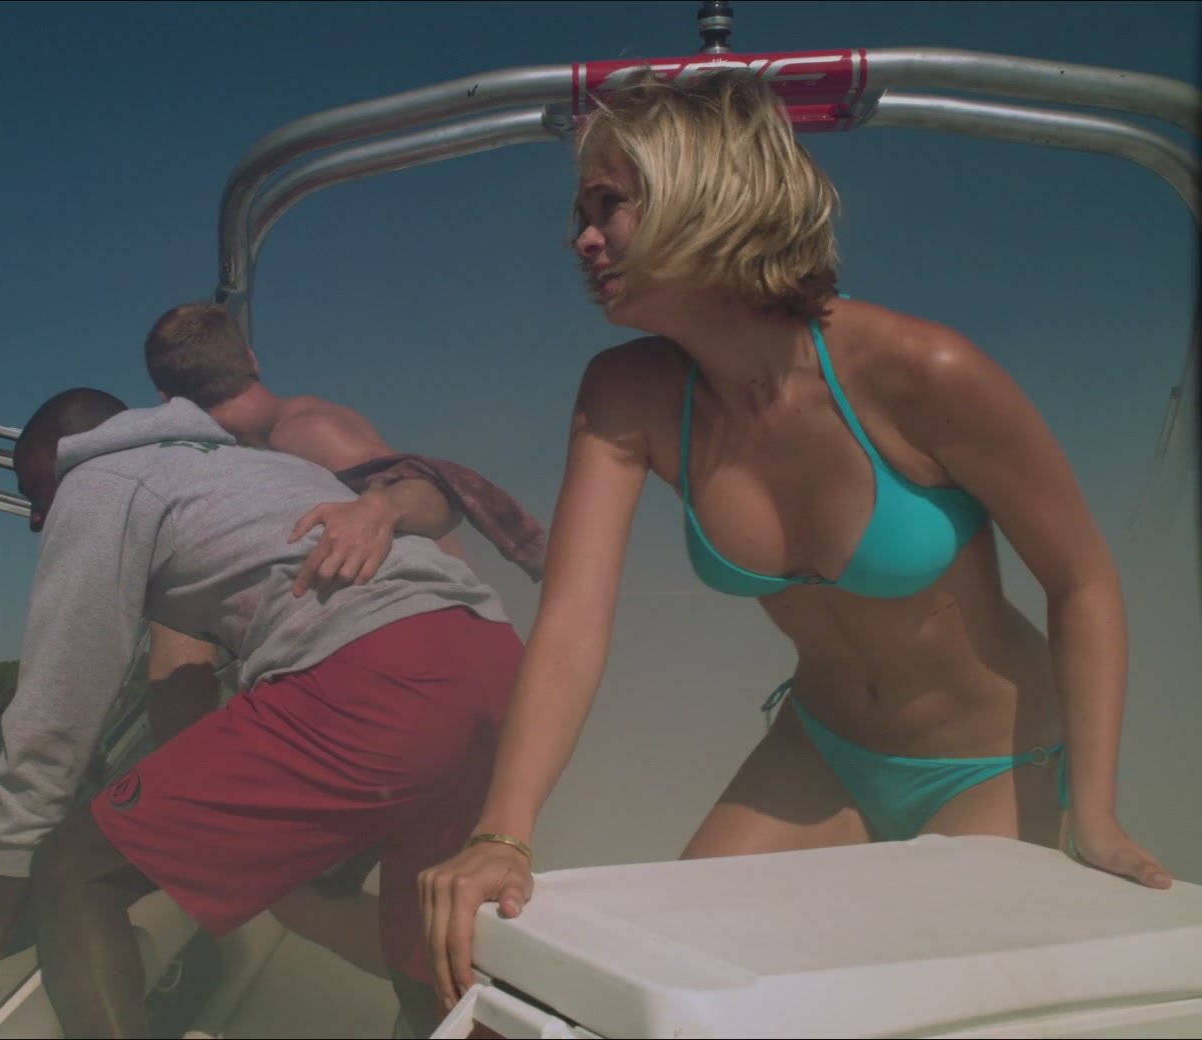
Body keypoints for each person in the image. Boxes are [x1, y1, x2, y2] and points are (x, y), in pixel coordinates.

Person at [418, 68, 1173, 1009]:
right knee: (665, 989)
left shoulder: (921, 372)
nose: (583, 238)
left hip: (998, 765)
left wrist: (1094, 813)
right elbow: (571, 625)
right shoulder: (627, 395)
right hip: (819, 754)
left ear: (705, 189)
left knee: (912, 1012)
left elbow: (1083, 582)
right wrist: (503, 833)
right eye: (582, 213)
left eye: (609, 205)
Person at [0, 387, 523, 1037]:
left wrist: (4, 909)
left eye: (33, 490)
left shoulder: (98, 482)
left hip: (377, 678)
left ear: (68, 453)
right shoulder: (254, 469)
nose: (36, 518)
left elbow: (56, 706)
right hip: (494, 665)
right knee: (424, 936)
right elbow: (184, 690)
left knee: (72, 871)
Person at [138, 300, 543, 978]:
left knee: (341, 898)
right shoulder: (260, 454)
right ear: (251, 360)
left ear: (166, 402)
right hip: (431, 675)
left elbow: (423, 499)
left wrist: (381, 506)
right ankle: (451, 991)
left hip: (431, 674)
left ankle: (479, 992)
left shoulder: (305, 431)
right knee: (344, 897)